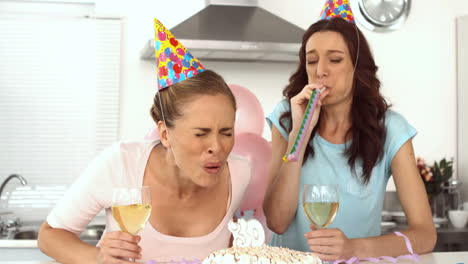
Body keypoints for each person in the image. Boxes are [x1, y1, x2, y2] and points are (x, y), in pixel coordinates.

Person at [37, 18, 251, 264]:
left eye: (226, 132)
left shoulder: (239, 173)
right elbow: (49, 236)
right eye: (200, 133)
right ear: (164, 134)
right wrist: (97, 257)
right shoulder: (121, 163)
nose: (217, 147)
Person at [262, 4, 436, 262]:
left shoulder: (391, 130)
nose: (320, 70)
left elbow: (425, 235)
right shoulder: (287, 118)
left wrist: (354, 248)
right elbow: (277, 221)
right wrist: (300, 134)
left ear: (358, 68)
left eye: (334, 59)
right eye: (312, 60)